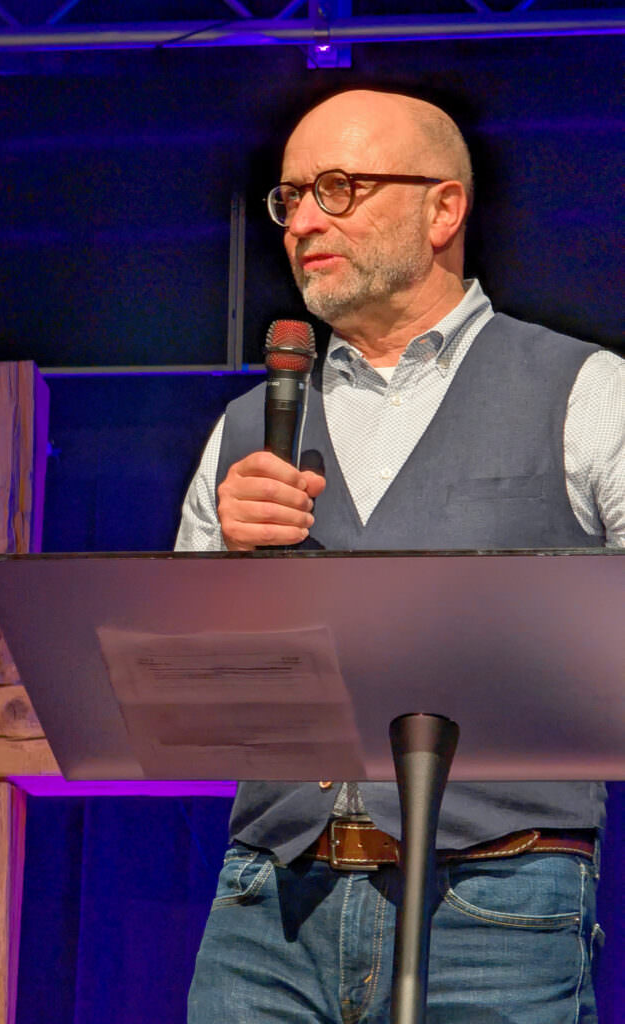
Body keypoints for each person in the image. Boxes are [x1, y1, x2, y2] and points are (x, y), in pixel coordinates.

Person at [175, 89, 624, 1023]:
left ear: (442, 209)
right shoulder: (248, 424)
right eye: (290, 197)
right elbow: (180, 693)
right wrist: (224, 575)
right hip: (268, 906)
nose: (303, 221)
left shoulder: (585, 391)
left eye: (338, 188)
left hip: (495, 903)